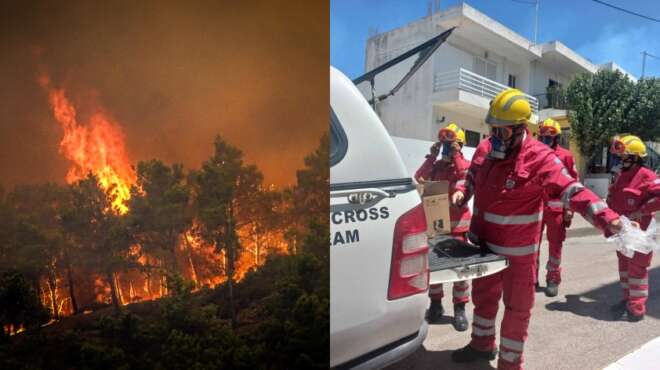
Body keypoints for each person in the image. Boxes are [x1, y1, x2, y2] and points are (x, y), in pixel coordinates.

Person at [449, 88, 623, 370]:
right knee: (483, 299)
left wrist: (606, 218)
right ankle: (481, 345)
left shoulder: (540, 157)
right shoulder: (485, 149)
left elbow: (572, 189)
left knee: (517, 310)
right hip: (483, 247)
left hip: (518, 253)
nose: (495, 137)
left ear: (520, 129)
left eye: (502, 132)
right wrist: (461, 193)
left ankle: (510, 363)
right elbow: (469, 176)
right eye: (492, 129)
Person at [415, 122, 472, 331]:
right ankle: (436, 305)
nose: (447, 148)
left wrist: (455, 155)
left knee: (460, 270)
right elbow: (419, 177)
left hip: (458, 226)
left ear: (460, 145)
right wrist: (432, 156)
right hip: (437, 224)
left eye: (451, 144)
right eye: (444, 144)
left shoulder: (464, 164)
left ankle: (459, 309)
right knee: (436, 269)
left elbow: (465, 177)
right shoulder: (437, 166)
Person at [606, 134, 660, 322]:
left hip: (641, 232)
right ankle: (627, 299)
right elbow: (614, 198)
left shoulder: (647, 176)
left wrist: (642, 211)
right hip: (623, 231)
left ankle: (637, 307)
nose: (621, 160)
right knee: (624, 266)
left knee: (637, 268)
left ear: (636, 157)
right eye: (620, 157)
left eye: (624, 157)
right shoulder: (621, 175)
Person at [536, 118, 578, 297]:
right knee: (531, 245)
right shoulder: (534, 153)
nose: (545, 139)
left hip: (556, 208)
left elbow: (573, 183)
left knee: (555, 245)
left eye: (549, 136)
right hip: (535, 207)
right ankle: (530, 279)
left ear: (556, 137)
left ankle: (553, 279)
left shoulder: (565, 156)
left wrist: (570, 209)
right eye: (543, 136)